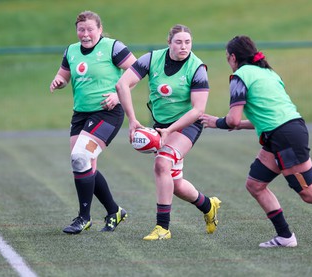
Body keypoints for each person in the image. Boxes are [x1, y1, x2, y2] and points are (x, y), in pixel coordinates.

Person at [200, 35, 312, 248]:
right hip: (284, 132)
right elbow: (267, 116)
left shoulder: (240, 77)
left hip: (284, 136)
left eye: (227, 57)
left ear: (233, 57)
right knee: (256, 185)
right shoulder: (268, 73)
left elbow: (231, 120)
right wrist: (237, 125)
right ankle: (285, 236)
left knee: (310, 192)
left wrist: (216, 122)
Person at [115, 24, 221, 240]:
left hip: (187, 125)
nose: (184, 46)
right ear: (169, 43)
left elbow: (198, 109)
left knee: (162, 163)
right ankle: (208, 205)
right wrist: (133, 120)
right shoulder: (152, 59)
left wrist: (170, 130)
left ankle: (162, 228)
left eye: (188, 42)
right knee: (175, 183)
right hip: (160, 125)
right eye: (179, 42)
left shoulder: (197, 67)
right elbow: (122, 85)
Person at [49, 11, 137, 234]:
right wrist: (59, 81)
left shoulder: (113, 47)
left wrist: (118, 95)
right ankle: (114, 211)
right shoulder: (71, 51)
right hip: (80, 115)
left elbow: (137, 72)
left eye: (90, 29)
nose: (85, 34)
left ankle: (83, 217)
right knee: (83, 164)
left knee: (81, 158)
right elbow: (64, 76)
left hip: (107, 113)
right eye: (81, 29)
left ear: (99, 29)